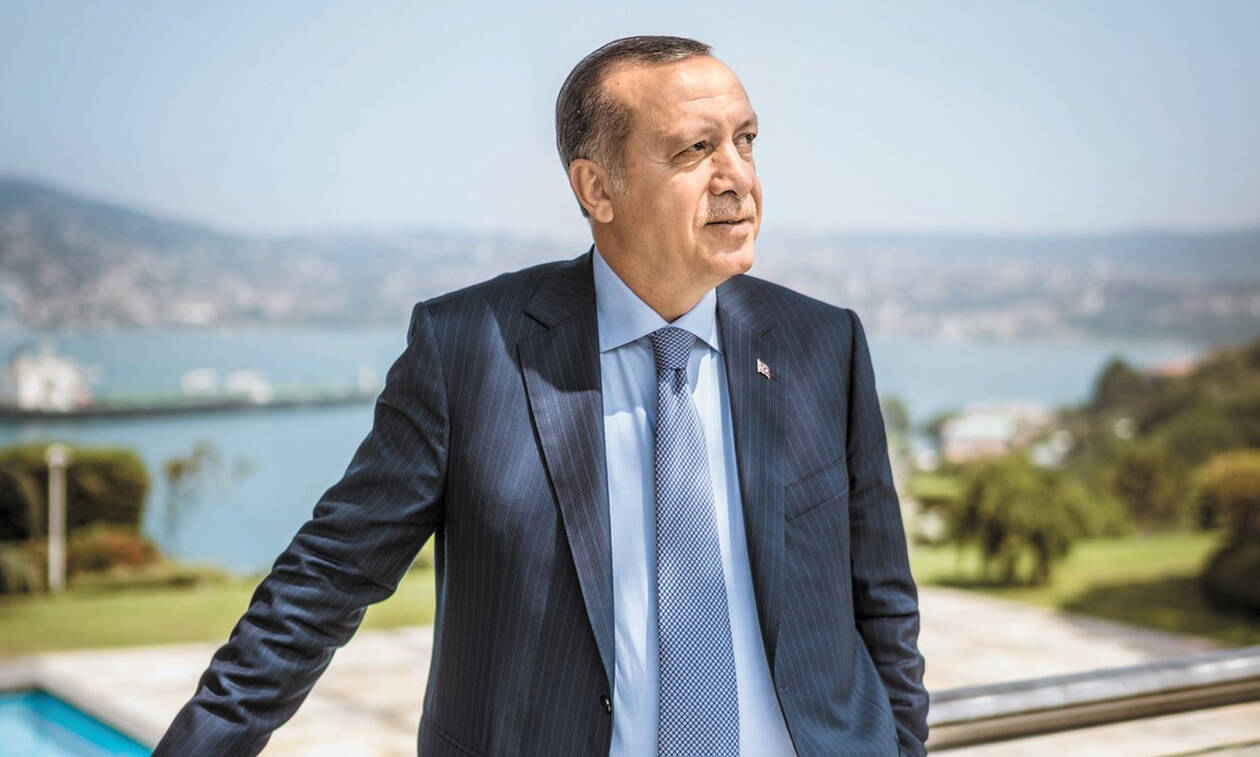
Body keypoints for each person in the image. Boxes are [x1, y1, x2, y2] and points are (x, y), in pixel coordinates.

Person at [155, 35, 928, 756]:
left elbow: (882, 604)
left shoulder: (823, 343)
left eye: (746, 140)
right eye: (696, 149)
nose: (738, 177)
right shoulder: (467, 348)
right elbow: (324, 581)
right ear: (597, 187)